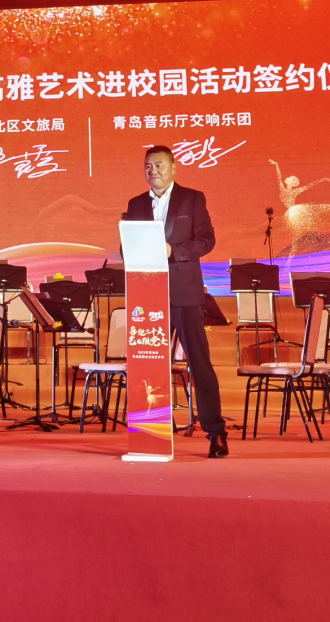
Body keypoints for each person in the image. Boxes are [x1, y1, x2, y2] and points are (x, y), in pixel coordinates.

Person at [122, 146, 228, 457]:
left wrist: (174, 251)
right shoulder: (136, 204)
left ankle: (215, 433)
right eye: (148, 166)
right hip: (148, 295)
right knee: (148, 364)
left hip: (185, 293)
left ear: (173, 167)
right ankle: (151, 431)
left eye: (158, 165)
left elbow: (207, 239)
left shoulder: (192, 199)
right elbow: (128, 244)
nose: (152, 170)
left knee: (199, 364)